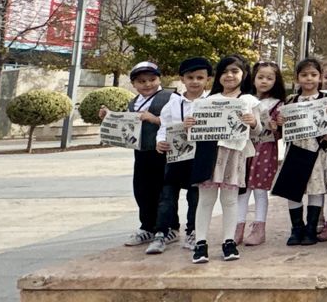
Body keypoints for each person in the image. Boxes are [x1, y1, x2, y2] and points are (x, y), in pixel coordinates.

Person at [187, 55, 261, 263]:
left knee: (229, 201)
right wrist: (189, 126)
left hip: (234, 155)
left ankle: (229, 241)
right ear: (218, 75)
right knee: (206, 200)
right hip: (208, 154)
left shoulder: (248, 101)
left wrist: (254, 122)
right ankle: (200, 243)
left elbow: (258, 132)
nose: (229, 76)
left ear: (244, 75)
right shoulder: (207, 101)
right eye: (225, 71)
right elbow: (192, 133)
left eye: (235, 71)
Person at [101, 61, 171, 251]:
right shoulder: (133, 102)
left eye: (152, 79)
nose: (147, 84)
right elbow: (126, 122)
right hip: (141, 152)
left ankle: (168, 227)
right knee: (142, 189)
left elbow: (178, 121)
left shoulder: (169, 97)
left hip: (162, 151)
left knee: (163, 191)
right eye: (141, 81)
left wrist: (154, 119)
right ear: (134, 84)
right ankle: (147, 226)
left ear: (159, 79)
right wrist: (109, 116)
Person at [272, 58, 327, 247]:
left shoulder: (326, 99)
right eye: (304, 75)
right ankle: (297, 228)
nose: (309, 79)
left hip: (316, 149)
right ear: (297, 78)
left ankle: (311, 228)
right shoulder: (291, 100)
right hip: (295, 148)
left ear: (319, 78)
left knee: (316, 189)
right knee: (293, 190)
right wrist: (280, 123)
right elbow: (282, 126)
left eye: (313, 75)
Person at [153, 57, 211, 253]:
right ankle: (162, 232)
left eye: (200, 77)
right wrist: (160, 141)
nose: (195, 81)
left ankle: (193, 231)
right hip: (175, 157)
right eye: (190, 77)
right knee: (167, 196)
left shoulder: (211, 102)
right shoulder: (173, 102)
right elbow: (164, 125)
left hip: (198, 157)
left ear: (207, 80)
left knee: (195, 197)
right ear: (182, 79)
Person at [241, 61, 286, 246]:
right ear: (253, 79)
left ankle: (259, 228)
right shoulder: (244, 99)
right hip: (244, 148)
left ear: (276, 81)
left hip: (265, 150)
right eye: (260, 77)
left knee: (260, 190)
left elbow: (281, 133)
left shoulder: (279, 104)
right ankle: (237, 227)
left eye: (269, 78)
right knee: (241, 190)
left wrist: (279, 126)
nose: (264, 81)